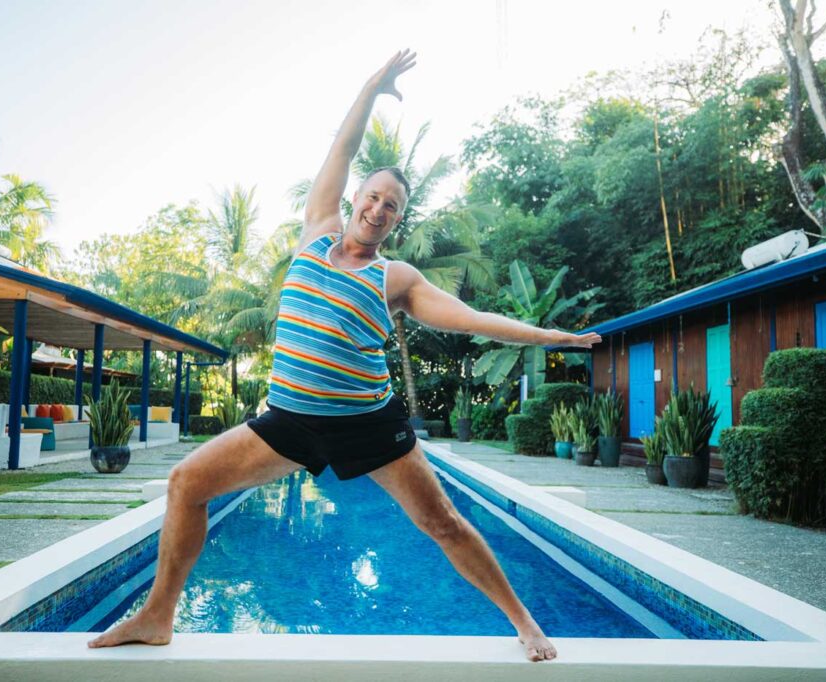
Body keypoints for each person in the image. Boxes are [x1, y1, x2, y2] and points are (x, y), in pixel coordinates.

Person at [88, 49, 601, 663]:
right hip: (289, 419)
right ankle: (157, 616)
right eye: (375, 195)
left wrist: (554, 337)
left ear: (397, 222)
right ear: (356, 197)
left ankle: (523, 621)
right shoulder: (314, 231)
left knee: (441, 523)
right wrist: (372, 87)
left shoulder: (397, 279)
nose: (379, 209)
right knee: (185, 483)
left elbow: (475, 321)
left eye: (394, 206)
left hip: (368, 423)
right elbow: (341, 149)